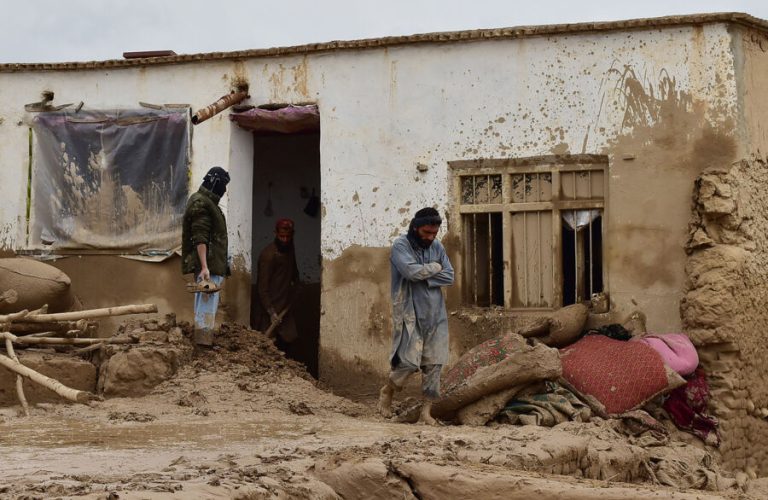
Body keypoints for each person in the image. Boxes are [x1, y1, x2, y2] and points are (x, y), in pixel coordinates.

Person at [378, 207, 454, 424]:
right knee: (408, 362)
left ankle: (425, 413)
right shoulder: (401, 245)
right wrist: (434, 266)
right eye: (426, 233)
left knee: (434, 364)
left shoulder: (437, 246)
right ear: (415, 227)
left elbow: (449, 276)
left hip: (435, 313)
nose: (431, 238)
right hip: (409, 312)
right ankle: (387, 391)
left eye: (434, 233)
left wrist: (427, 273)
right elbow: (410, 272)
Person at [181, 166, 230, 346]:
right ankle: (203, 344)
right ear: (216, 183)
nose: (224, 191)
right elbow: (199, 237)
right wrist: (204, 267)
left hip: (212, 264)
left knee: (207, 303)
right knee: (206, 304)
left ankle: (203, 340)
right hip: (208, 266)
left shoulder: (208, 202)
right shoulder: (201, 203)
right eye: (223, 185)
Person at [255, 218, 301, 352]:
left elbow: (294, 272)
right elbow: (262, 289)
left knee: (289, 339)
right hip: (268, 308)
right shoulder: (268, 255)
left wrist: (297, 286)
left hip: (284, 307)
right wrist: (271, 312)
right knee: (269, 345)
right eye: (282, 236)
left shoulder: (289, 249)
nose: (285, 240)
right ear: (275, 233)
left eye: (288, 236)